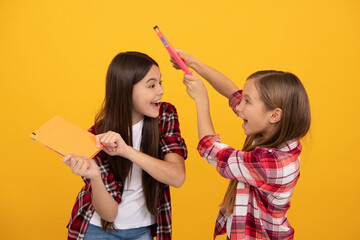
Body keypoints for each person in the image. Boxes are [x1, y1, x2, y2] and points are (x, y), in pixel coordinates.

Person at [171, 49, 310, 240]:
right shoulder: (274, 131)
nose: (239, 106)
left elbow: (211, 149)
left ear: (274, 115)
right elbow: (231, 92)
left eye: (248, 101)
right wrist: (193, 63)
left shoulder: (274, 163)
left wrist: (201, 100)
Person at [62, 51, 187, 240]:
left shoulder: (165, 115)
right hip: (96, 230)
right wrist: (95, 177)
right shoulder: (97, 137)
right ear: (126, 89)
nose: (160, 91)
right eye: (151, 85)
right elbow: (109, 214)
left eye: (160, 83)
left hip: (143, 230)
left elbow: (177, 177)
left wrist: (126, 151)